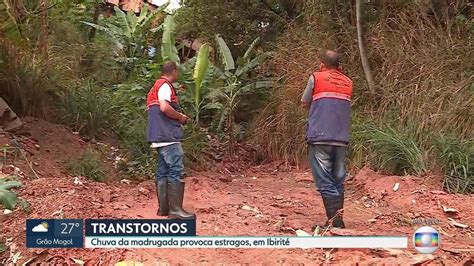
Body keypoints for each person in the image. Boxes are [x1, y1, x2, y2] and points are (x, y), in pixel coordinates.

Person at [301, 50, 353, 228]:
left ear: (322, 65)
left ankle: (335, 223)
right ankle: (337, 220)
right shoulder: (348, 81)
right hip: (341, 138)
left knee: (325, 181)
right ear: (339, 66)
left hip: (320, 136)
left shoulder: (316, 77)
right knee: (338, 179)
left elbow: (305, 102)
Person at [146, 61, 196, 220]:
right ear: (173, 72)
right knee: (175, 169)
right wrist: (180, 117)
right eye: (177, 73)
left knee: (163, 171)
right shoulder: (165, 85)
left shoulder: (154, 87)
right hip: (167, 136)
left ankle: (164, 208)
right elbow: (164, 107)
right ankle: (176, 211)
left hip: (158, 136)